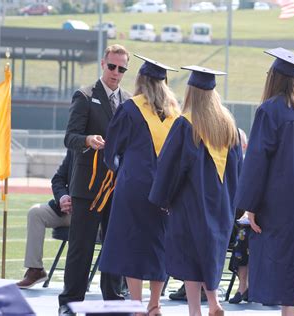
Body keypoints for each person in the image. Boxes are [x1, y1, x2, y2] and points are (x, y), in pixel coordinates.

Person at [234, 47, 294, 316]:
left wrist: (249, 205)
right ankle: (291, 311)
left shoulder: (270, 110)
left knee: (274, 258)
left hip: (274, 203)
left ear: (273, 78)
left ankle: (288, 312)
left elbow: (256, 162)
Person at [149, 65, 242, 316]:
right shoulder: (228, 124)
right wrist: (234, 203)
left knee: (190, 256)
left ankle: (195, 311)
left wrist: (163, 197)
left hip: (190, 202)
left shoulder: (186, 124)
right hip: (221, 203)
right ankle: (213, 302)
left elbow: (172, 165)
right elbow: (237, 169)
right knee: (210, 254)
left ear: (191, 91)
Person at [99, 54, 180, 316]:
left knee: (132, 243)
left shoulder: (130, 108)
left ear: (140, 80)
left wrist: (119, 168)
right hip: (166, 189)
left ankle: (136, 305)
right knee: (158, 244)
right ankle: (154, 304)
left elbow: (111, 151)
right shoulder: (175, 113)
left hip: (133, 186)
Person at [58, 44, 131, 315]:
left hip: (117, 187)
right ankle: (69, 303)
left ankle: (113, 301)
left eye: (122, 68)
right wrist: (87, 140)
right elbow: (70, 137)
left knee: (115, 246)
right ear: (103, 64)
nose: (116, 72)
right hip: (88, 187)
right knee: (81, 248)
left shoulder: (128, 101)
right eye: (112, 66)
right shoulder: (85, 95)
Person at [16, 150, 73, 289]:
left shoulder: (108, 150)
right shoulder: (75, 147)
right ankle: (36, 270)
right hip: (66, 210)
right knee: (36, 212)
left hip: (92, 213)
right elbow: (58, 179)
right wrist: (63, 198)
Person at [228, 129, 249, 305]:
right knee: (243, 234)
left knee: (245, 233)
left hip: (257, 218)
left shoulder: (251, 166)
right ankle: (244, 285)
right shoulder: (233, 165)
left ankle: (248, 285)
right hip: (239, 218)